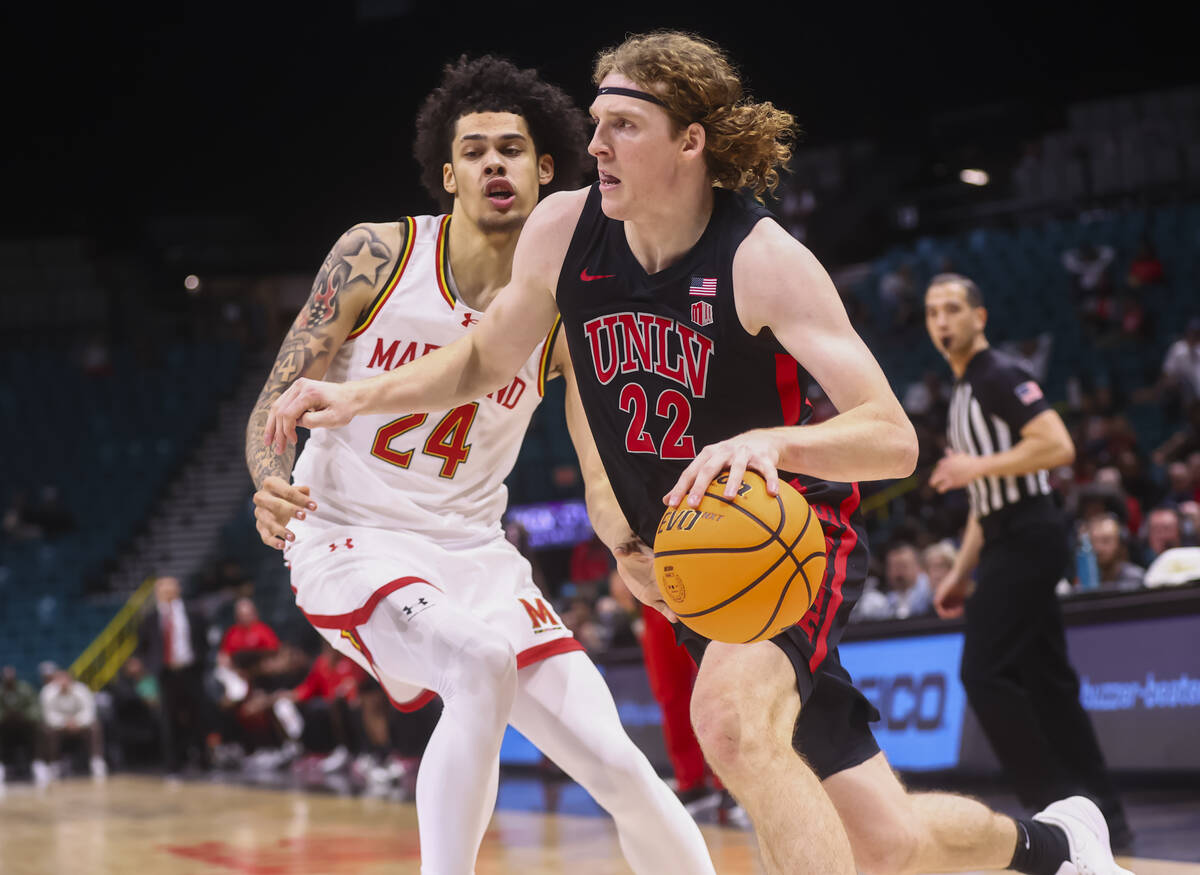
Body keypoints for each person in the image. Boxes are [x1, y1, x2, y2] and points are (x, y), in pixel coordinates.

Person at [264, 31, 1131, 875]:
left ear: (689, 142)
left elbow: (893, 436)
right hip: (694, 555)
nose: (594, 142)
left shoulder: (763, 261)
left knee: (727, 723)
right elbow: (487, 356)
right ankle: (1058, 847)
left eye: (622, 126)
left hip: (785, 531)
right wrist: (356, 395)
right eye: (595, 122)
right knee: (887, 843)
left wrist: (769, 440)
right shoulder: (565, 230)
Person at [245, 55, 714, 875]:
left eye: (511, 149)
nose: (493, 163)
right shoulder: (377, 255)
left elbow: (597, 466)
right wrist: (267, 478)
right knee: (479, 662)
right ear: (449, 174)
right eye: (474, 150)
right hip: (351, 538)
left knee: (620, 766)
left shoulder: (566, 314)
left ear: (544, 172)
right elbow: (281, 396)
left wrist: (631, 552)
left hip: (476, 555)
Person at [925, 272, 1132, 850]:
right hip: (1005, 534)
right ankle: (1105, 816)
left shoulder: (999, 376)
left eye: (952, 309)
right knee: (1049, 684)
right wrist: (960, 576)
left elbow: (1057, 444)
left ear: (979, 318)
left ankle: (1050, 813)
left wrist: (973, 469)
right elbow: (981, 508)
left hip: (1031, 534)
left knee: (982, 672)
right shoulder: (965, 392)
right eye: (932, 312)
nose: (942, 320)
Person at [137, 576, 211, 776]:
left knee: (198, 716)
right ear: (157, 592)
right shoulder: (150, 618)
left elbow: (204, 640)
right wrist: (151, 666)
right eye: (163, 589)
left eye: (171, 588)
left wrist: (201, 661)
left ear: (178, 589)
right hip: (166, 673)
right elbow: (143, 647)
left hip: (191, 670)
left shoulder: (194, 612)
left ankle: (204, 761)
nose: (167, 592)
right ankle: (173, 764)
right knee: (168, 719)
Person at [39, 669, 106, 779]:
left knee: (95, 727)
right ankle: (54, 764)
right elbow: (48, 715)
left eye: (65, 679)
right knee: (47, 730)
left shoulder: (82, 689)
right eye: (59, 679)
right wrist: (65, 722)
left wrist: (77, 722)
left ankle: (96, 762)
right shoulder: (47, 692)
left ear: (71, 680)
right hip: (59, 727)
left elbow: (89, 711)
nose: (63, 682)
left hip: (80, 726)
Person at [1087, 515, 1144, 591]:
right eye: (1094, 541)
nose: (1098, 548)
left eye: (1105, 541)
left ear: (1120, 544)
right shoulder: (1087, 578)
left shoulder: (1135, 579)